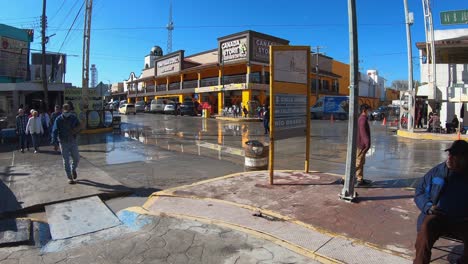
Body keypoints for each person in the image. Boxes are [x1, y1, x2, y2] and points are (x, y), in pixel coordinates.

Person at [413, 140, 468, 264]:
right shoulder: (438, 171)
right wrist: (428, 207)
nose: (450, 158)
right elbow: (420, 191)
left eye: (455, 156)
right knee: (426, 227)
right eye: (449, 154)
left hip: (463, 221)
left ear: (465, 158)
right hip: (438, 217)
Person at [51, 104, 81, 184]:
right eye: (66, 111)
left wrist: (76, 129)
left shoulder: (73, 117)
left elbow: (79, 125)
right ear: (62, 111)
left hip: (73, 141)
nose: (67, 112)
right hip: (63, 142)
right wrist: (55, 143)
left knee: (77, 158)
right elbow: (54, 131)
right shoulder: (58, 119)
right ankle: (69, 177)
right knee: (66, 160)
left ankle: (73, 169)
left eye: (69, 111)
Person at [356, 104, 372, 187]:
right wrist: (367, 143)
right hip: (361, 145)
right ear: (364, 110)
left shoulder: (363, 118)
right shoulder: (362, 119)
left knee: (361, 162)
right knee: (358, 163)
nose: (370, 112)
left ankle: (360, 179)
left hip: (360, 144)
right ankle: (345, 178)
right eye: (369, 110)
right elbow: (363, 132)